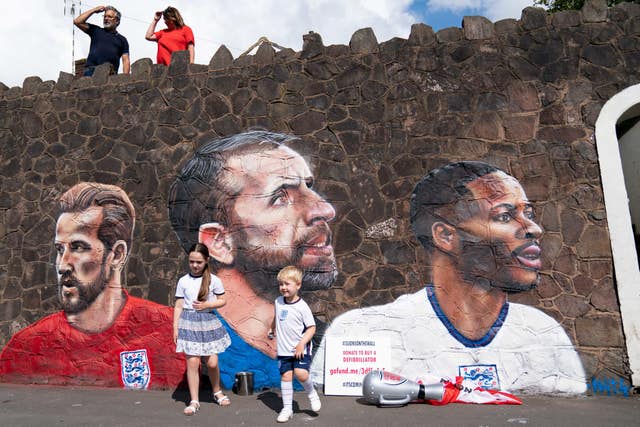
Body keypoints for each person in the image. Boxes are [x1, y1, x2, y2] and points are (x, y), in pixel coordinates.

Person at [311, 161, 587, 394]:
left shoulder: (544, 335)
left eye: (527, 213)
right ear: (445, 236)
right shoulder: (363, 330)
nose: (533, 229)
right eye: (504, 216)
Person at [168, 130, 337, 390]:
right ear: (219, 242)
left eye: (309, 187)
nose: (326, 209)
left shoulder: (329, 341)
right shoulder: (205, 342)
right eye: (280, 197)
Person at [0, 182, 185, 389]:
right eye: (60, 249)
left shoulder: (169, 331)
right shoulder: (24, 348)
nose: (62, 265)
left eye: (78, 247)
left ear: (117, 255)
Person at [174, 243, 232, 415]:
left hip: (208, 321)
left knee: (212, 362)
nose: (195, 265)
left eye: (199, 262)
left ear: (206, 260)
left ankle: (216, 391)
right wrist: (175, 327)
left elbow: (222, 300)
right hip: (189, 322)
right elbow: (178, 305)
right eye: (192, 261)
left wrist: (208, 304)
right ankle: (194, 400)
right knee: (192, 363)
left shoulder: (214, 280)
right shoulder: (183, 281)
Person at [269, 266, 321, 423]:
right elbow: (276, 317)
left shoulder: (302, 306)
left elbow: (312, 328)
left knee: (301, 373)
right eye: (281, 284)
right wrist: (271, 329)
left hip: (301, 347)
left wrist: (301, 344)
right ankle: (287, 409)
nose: (283, 287)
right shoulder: (278, 302)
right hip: (284, 349)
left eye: (287, 284)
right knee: (286, 376)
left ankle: (312, 393)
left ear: (298, 285)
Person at [73, 5, 130, 76]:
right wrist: (94, 10)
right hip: (91, 71)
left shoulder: (122, 39)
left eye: (109, 16)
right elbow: (77, 22)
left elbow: (125, 60)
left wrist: (125, 78)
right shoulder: (96, 30)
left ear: (117, 20)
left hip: (110, 74)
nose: (106, 18)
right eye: (105, 16)